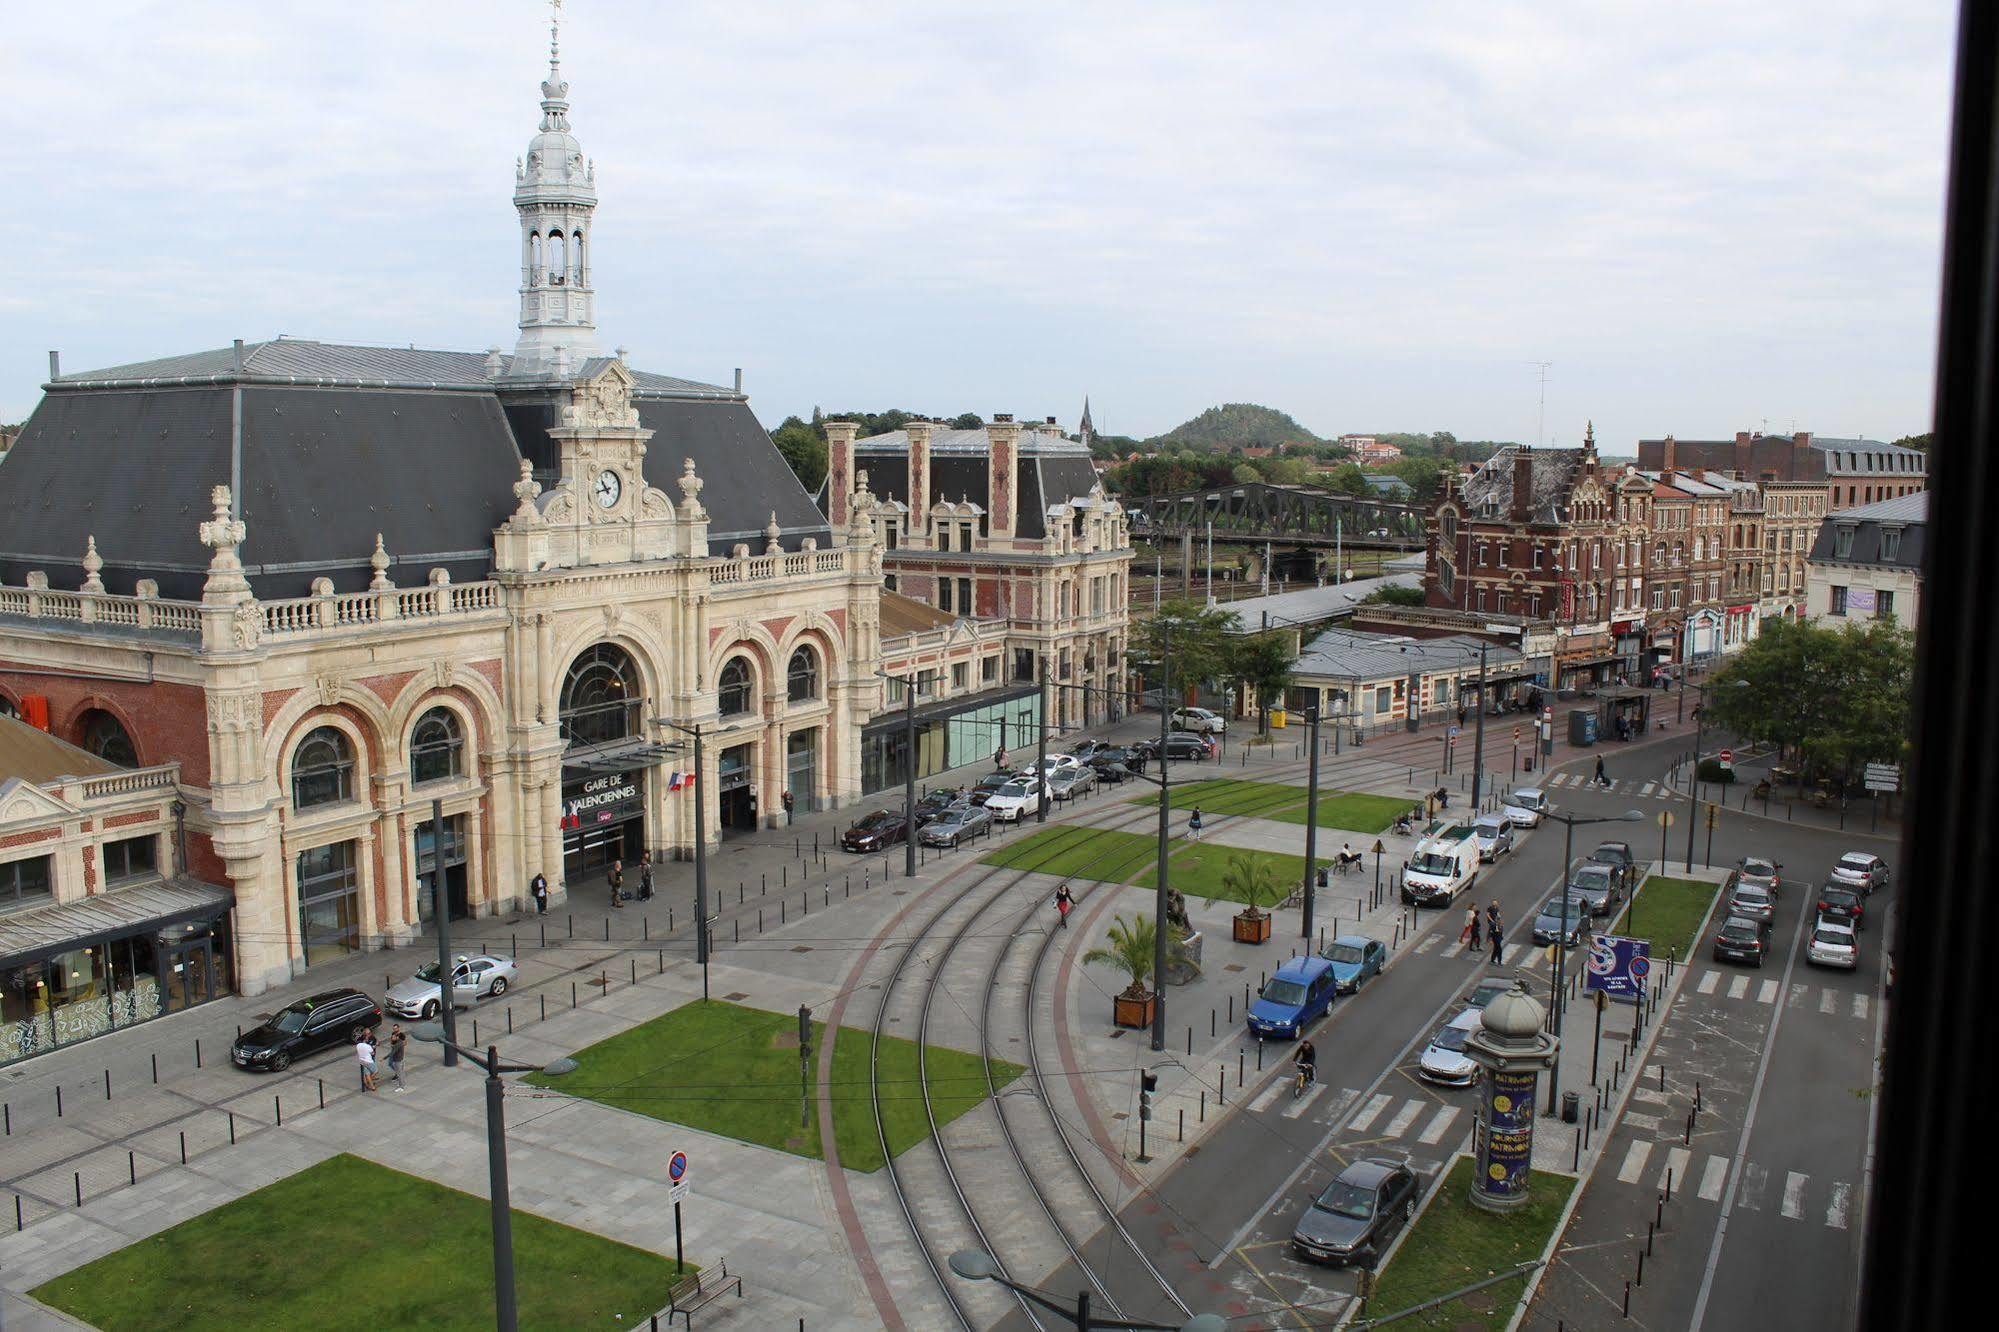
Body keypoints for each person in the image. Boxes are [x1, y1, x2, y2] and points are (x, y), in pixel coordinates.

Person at [386, 1024, 409, 1092]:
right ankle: (397, 1073)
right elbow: (391, 1041)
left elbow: (405, 1043)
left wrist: (398, 1046)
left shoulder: (402, 1035)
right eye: (393, 1028)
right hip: (394, 1051)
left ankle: (401, 1084)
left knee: (397, 1067)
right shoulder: (393, 1034)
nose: (394, 1030)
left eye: (396, 1028)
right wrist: (392, 1044)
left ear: (398, 1028)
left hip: (398, 1053)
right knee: (390, 1064)